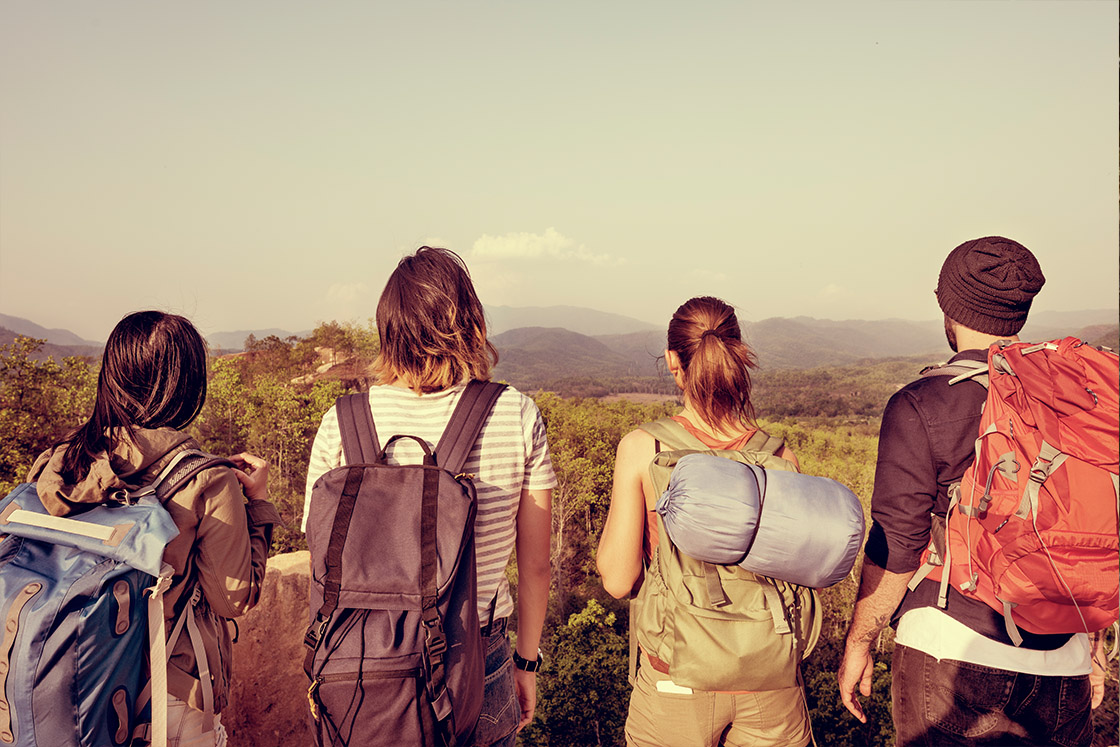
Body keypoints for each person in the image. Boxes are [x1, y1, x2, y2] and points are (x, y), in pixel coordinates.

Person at [837, 236, 1107, 745]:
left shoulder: (921, 405)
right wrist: (1093, 645)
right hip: (1065, 660)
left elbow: (896, 547)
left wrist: (859, 642)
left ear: (948, 307)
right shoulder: (1077, 401)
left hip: (953, 652)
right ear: (1021, 311)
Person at [302, 246, 555, 746]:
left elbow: (321, 552)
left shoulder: (343, 421)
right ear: (470, 322)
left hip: (363, 660)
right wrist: (526, 662)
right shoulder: (516, 414)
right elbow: (536, 566)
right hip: (478, 656)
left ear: (388, 329)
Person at [28, 310, 282, 746]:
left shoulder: (62, 461)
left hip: (61, 681)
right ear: (187, 386)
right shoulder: (206, 478)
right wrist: (258, 505)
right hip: (165, 692)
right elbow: (232, 598)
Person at [597, 295, 812, 747]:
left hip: (677, 678)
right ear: (735, 356)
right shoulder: (779, 456)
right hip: (771, 682)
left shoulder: (644, 450)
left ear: (674, 361)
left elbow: (618, 580)